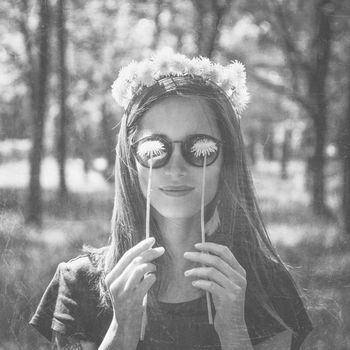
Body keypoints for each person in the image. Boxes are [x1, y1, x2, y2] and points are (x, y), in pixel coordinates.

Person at [29, 50, 313, 350]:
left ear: (225, 160)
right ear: (130, 160)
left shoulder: (268, 286)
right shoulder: (80, 284)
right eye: (155, 149)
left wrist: (234, 331)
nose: (176, 168)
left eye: (200, 148)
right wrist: (121, 329)